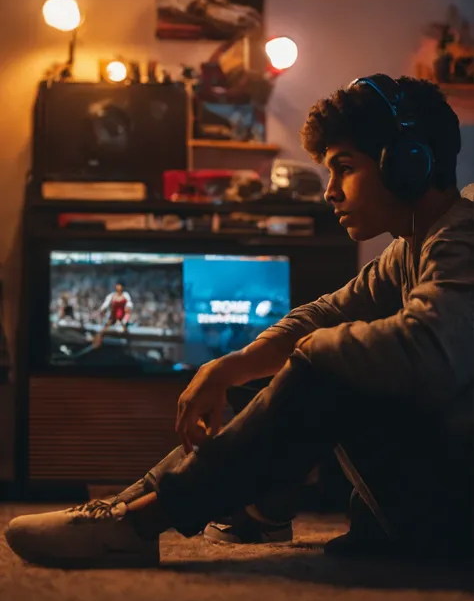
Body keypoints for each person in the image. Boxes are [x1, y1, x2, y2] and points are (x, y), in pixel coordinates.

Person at [5, 74, 474, 569]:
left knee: (322, 363)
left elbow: (434, 349)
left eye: (345, 168)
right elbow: (326, 313)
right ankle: (125, 508)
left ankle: (140, 524)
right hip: (430, 500)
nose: (330, 192)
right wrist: (231, 366)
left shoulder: (462, 239)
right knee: (289, 363)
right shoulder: (409, 249)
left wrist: (313, 353)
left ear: (407, 164)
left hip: (455, 517)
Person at [93, 282, 133, 348]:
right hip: (113, 315)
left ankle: (128, 343)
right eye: (117, 286)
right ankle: (97, 342)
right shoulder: (112, 295)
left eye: (119, 286)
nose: (118, 287)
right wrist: (101, 310)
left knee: (124, 329)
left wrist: (128, 308)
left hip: (122, 316)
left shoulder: (125, 295)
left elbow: (129, 303)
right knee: (104, 328)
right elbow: (106, 304)